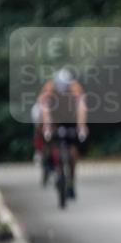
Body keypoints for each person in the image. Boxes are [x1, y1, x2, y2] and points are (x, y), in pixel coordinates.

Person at [37, 69, 88, 199]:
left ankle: (71, 182)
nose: (62, 91)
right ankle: (48, 161)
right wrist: (47, 127)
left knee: (72, 153)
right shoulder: (50, 88)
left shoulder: (75, 88)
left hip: (69, 120)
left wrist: (81, 127)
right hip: (54, 120)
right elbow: (44, 108)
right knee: (47, 138)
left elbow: (82, 107)